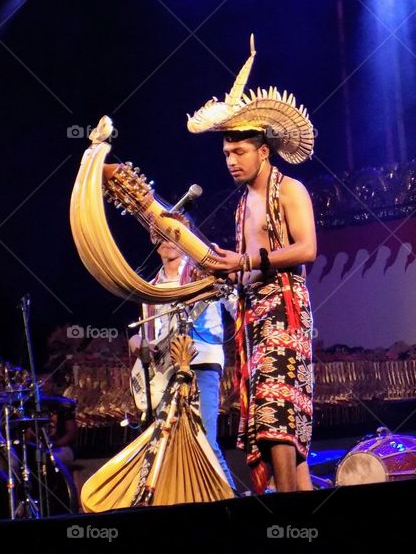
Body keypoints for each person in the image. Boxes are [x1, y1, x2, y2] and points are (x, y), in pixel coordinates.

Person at [187, 36, 317, 493]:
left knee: (277, 411)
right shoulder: (243, 204)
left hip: (284, 308)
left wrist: (244, 260)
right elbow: (246, 267)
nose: (231, 161)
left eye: (238, 152)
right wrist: (221, 274)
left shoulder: (291, 190)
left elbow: (306, 249)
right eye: (225, 154)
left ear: (263, 150)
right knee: (266, 411)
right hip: (251, 314)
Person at [128, 216, 236, 488]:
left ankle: (233, 501)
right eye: (162, 235)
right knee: (169, 445)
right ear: (154, 240)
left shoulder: (204, 272)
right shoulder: (151, 286)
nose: (169, 240)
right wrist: (138, 338)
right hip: (166, 372)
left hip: (201, 362)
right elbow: (150, 333)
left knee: (205, 441)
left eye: (175, 234)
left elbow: (237, 305)